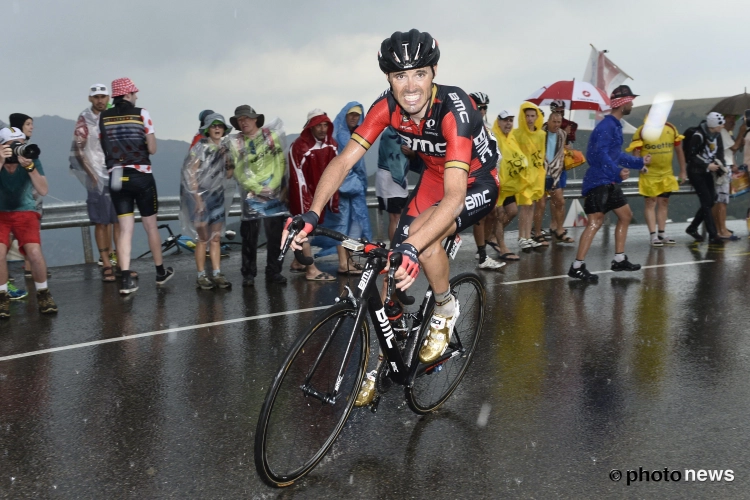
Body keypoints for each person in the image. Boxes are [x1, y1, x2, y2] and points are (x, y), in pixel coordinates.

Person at [282, 29, 499, 405]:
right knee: (389, 275)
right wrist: (312, 213)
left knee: (421, 241)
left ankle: (446, 307)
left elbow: (454, 195)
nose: (410, 85)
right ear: (389, 79)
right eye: (400, 76)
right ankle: (386, 358)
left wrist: (414, 246)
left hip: (472, 179)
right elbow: (344, 159)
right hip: (434, 175)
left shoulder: (455, 109)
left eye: (419, 73)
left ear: (434, 72)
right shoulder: (386, 107)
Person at [568, 85, 651, 282]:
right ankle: (577, 266)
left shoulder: (614, 125)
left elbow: (616, 154)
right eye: (630, 100)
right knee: (595, 222)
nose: (632, 103)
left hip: (608, 180)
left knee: (626, 215)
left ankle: (619, 258)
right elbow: (598, 155)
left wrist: (639, 162)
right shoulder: (607, 126)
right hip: (598, 181)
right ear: (622, 104)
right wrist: (616, 170)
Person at [99, 77, 174, 295]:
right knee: (150, 226)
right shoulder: (142, 113)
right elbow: (152, 148)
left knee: (125, 230)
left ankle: (125, 280)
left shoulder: (103, 116)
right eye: (134, 93)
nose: (136, 96)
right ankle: (160, 272)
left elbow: (103, 144)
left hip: (116, 177)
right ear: (127, 95)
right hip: (141, 175)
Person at [226, 105, 288, 287]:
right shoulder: (236, 142)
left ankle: (274, 271)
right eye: (239, 120)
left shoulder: (271, 136)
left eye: (246, 118)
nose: (243, 122)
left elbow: (280, 162)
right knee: (249, 236)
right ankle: (248, 273)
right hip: (251, 194)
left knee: (275, 235)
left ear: (255, 119)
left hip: (273, 193)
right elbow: (238, 170)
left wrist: (273, 185)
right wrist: (256, 188)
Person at [0, 127, 58, 318]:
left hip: (25, 211)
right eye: (13, 144)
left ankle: (43, 293)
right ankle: (2, 297)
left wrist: (30, 168)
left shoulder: (31, 159)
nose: (18, 148)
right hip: (1, 213)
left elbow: (43, 190)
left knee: (34, 252)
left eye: (21, 144)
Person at [70, 83, 121, 282]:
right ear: (90, 99)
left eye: (103, 96)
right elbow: (78, 148)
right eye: (96, 97)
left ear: (108, 98)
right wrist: (90, 174)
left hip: (116, 172)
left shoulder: (115, 116)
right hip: (96, 174)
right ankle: (106, 262)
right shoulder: (84, 119)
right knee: (101, 221)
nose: (100, 100)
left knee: (119, 220)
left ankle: (120, 261)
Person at [180, 112, 234, 289]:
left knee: (216, 238)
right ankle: (201, 275)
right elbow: (190, 175)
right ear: (207, 129)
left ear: (224, 129)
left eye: (220, 126)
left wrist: (228, 159)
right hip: (200, 198)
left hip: (217, 196)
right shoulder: (200, 148)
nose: (217, 128)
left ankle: (217, 273)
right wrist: (197, 199)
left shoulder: (225, 148)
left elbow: (229, 174)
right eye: (213, 125)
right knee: (202, 238)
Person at [316, 102, 372, 275]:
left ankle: (348, 259)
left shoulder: (353, 133)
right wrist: (355, 184)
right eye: (351, 114)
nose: (355, 118)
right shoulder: (340, 135)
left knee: (352, 227)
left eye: (357, 115)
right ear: (344, 115)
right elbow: (340, 165)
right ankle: (343, 263)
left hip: (352, 190)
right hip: (344, 190)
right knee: (342, 226)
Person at [287, 109, 338, 281]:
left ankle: (298, 262)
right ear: (310, 126)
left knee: (306, 231)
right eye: (319, 125)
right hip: (304, 196)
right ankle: (311, 270)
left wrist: (331, 199)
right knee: (304, 230)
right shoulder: (299, 146)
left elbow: (336, 172)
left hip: (319, 195)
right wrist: (305, 205)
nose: (323, 129)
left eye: (326, 125)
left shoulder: (331, 144)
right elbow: (297, 177)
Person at [627, 108, 687, 246]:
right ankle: (653, 235)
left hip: (666, 172)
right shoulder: (643, 130)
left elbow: (679, 150)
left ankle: (662, 232)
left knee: (664, 201)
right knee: (650, 202)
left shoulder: (671, 128)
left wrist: (683, 171)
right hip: (649, 173)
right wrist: (640, 166)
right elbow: (636, 151)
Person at [467, 92, 504, 270]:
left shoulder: (487, 127)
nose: (482, 111)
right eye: (479, 107)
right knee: (480, 216)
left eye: (485, 108)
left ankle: (482, 246)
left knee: (493, 214)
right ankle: (482, 256)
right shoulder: (466, 126)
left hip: (489, 176)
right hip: (474, 176)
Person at [490, 110, 528, 261]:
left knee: (512, 211)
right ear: (498, 122)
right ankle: (502, 247)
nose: (508, 123)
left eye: (511, 120)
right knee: (499, 215)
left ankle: (493, 236)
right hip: (497, 184)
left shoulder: (511, 139)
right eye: (505, 120)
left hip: (509, 186)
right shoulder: (493, 137)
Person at [684, 112, 727, 245]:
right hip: (696, 172)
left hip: (709, 171)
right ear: (714, 125)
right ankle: (713, 235)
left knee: (711, 200)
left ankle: (692, 227)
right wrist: (706, 165)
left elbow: (719, 152)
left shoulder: (717, 135)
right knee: (706, 201)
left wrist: (721, 166)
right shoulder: (699, 136)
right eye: (720, 124)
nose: (722, 126)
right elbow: (691, 156)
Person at [511, 102, 546, 249]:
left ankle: (527, 236)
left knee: (531, 205)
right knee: (525, 205)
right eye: (527, 116)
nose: (530, 119)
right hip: (523, 175)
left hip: (536, 174)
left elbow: (541, 155)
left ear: (537, 117)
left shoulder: (541, 134)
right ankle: (521, 236)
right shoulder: (517, 134)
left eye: (533, 116)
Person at [537, 111, 574, 243]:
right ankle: (537, 233)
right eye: (554, 122)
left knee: (560, 202)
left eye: (559, 122)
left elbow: (561, 152)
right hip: (541, 171)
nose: (556, 125)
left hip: (555, 172)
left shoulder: (563, 134)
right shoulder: (540, 133)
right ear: (548, 121)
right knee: (541, 204)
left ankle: (559, 230)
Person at [376, 125, 411, 241]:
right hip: (388, 179)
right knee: (394, 216)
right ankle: (394, 248)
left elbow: (414, 154)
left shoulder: (406, 133)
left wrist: (412, 153)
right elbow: (394, 156)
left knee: (402, 216)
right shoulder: (389, 134)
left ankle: (401, 246)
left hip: (401, 181)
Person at [714, 114, 739, 240]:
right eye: (730, 121)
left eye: (734, 121)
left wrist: (734, 163)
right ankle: (722, 230)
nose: (733, 123)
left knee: (719, 200)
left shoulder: (725, 132)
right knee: (722, 201)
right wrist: (742, 132)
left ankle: (719, 229)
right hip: (723, 168)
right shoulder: (723, 132)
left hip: (726, 165)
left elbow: (731, 151)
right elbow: (735, 147)